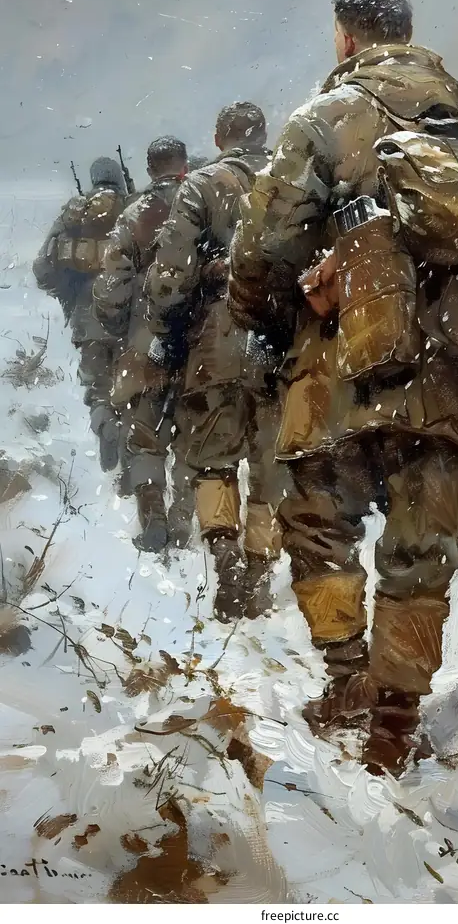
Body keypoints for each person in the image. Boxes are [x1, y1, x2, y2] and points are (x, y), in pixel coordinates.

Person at [227, 0, 458, 773]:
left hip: (338, 377)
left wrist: (279, 325)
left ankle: (346, 681)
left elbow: (260, 254)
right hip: (453, 381)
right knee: (420, 552)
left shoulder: (324, 120)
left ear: (345, 41)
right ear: (408, 34)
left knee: (316, 527)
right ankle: (394, 724)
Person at [144, 102, 284, 620]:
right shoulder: (293, 175)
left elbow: (171, 273)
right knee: (271, 464)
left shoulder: (200, 186)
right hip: (282, 336)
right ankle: (261, 571)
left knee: (213, 459)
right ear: (264, 135)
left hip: (217, 340)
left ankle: (226, 563)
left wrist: (165, 329)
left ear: (219, 138)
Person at [93, 136, 188, 552]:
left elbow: (112, 288)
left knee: (144, 430)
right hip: (202, 336)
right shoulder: (207, 199)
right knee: (197, 428)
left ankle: (153, 510)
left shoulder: (133, 216)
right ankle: (189, 521)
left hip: (146, 336)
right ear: (184, 163)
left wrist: (117, 324)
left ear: (150, 170)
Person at [33, 157, 128, 471]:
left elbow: (42, 269)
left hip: (88, 318)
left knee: (99, 388)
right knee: (135, 387)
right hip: (131, 315)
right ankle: (137, 458)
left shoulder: (74, 213)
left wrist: (68, 292)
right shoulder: (133, 207)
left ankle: (105, 426)